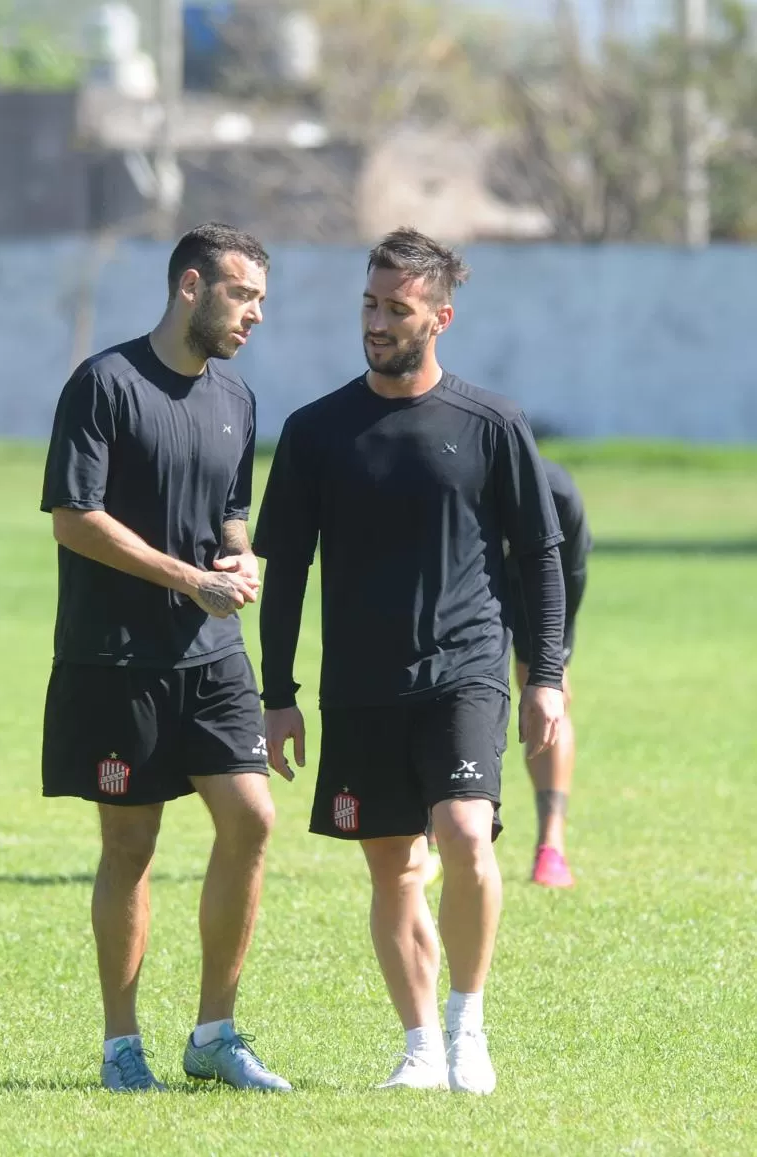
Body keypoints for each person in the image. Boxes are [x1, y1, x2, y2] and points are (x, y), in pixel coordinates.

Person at [253, 226, 566, 1095]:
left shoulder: (492, 422)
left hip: (465, 667)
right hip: (359, 684)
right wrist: (278, 695)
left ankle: (469, 1026)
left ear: (440, 317)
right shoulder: (316, 430)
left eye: (397, 308)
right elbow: (286, 574)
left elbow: (538, 555)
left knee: (466, 835)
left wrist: (545, 673)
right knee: (393, 868)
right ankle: (420, 1045)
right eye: (369, 303)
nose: (377, 321)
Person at [40, 222, 291, 1094]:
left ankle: (214, 1033)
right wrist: (188, 578)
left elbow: (230, 505)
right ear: (191, 286)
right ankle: (122, 1047)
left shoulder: (238, 398)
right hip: (117, 658)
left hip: (213, 652)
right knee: (132, 844)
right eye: (242, 294)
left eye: (260, 296)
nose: (256, 312)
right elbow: (76, 517)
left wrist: (240, 556)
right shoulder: (103, 384)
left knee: (253, 819)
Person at [506, 456, 592, 888]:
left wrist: (552, 667)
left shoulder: (557, 497)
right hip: (457, 580)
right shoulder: (454, 480)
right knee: (446, 689)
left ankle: (550, 847)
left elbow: (569, 579)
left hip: (539, 582)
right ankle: (429, 836)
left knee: (544, 692)